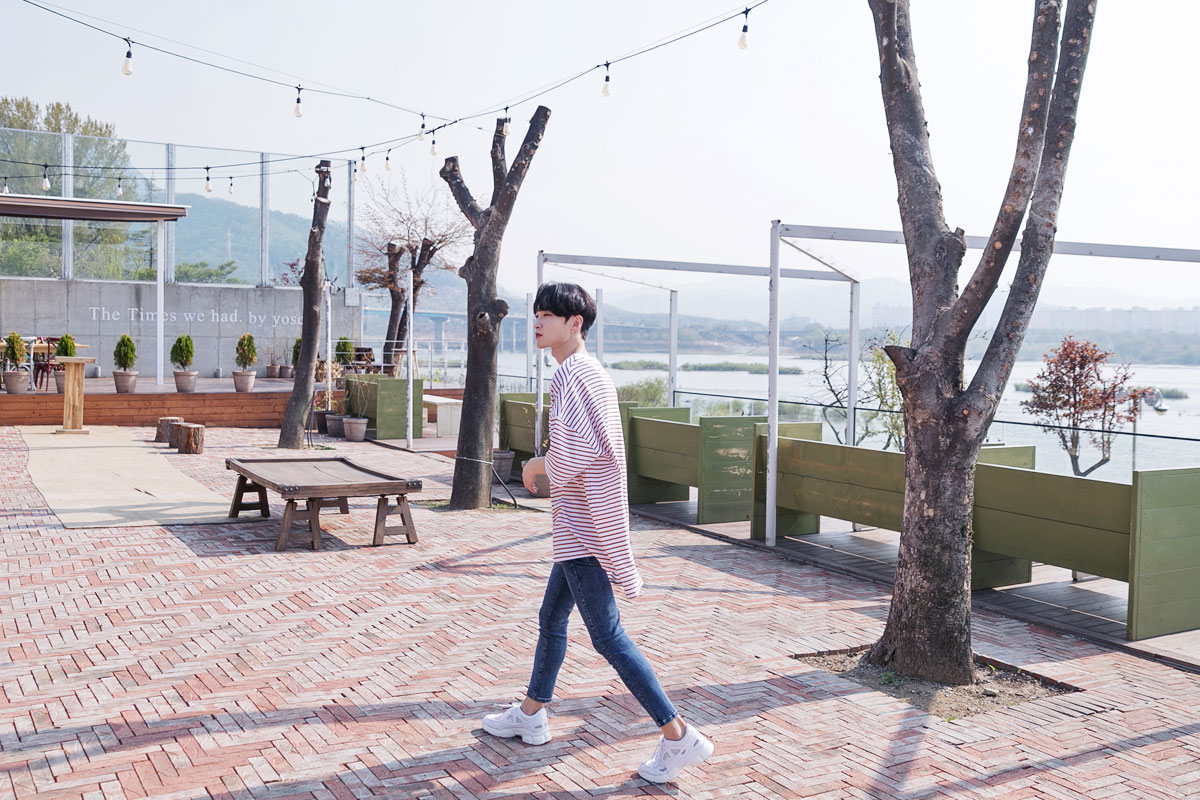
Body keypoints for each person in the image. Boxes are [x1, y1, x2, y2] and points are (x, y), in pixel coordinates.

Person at [481, 282, 713, 784]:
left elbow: (585, 447)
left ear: (575, 323)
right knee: (551, 618)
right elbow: (592, 444)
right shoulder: (585, 372)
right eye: (536, 313)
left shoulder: (575, 374)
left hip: (584, 529)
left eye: (548, 314)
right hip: (580, 525)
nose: (538, 322)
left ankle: (678, 735)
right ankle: (531, 713)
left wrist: (540, 463)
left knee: (608, 637)